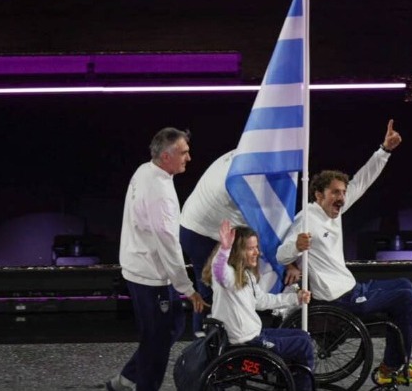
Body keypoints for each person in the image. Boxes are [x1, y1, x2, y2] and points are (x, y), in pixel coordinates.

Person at [276, 119, 412, 385]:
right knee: (406, 299)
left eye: (343, 193)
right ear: (318, 194)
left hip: (353, 288)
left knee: (405, 284)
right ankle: (392, 368)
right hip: (340, 300)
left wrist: (385, 150)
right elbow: (281, 255)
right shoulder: (306, 219)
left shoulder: (334, 211)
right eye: (335, 192)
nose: (342, 197)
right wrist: (295, 249)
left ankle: (394, 359)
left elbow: (363, 180)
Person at [106, 127, 208, 391]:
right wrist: (188, 288)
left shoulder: (146, 170)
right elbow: (168, 245)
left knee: (172, 326)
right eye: (184, 153)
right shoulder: (160, 192)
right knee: (158, 341)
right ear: (166, 156)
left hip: (142, 267)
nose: (189, 158)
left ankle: (127, 379)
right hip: (150, 276)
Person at [180, 150, 302, 336]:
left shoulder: (247, 152)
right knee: (214, 293)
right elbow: (266, 234)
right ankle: (207, 345)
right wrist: (289, 264)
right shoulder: (246, 183)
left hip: (193, 223)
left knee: (221, 289)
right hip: (203, 234)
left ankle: (212, 340)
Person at [202, 220, 315, 390]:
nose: (257, 252)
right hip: (246, 343)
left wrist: (295, 298)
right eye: (251, 248)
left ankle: (289, 382)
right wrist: (224, 249)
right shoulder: (228, 278)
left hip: (255, 334)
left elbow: (261, 301)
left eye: (256, 247)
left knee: (303, 336)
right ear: (238, 252)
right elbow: (218, 271)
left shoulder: (246, 276)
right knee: (303, 345)